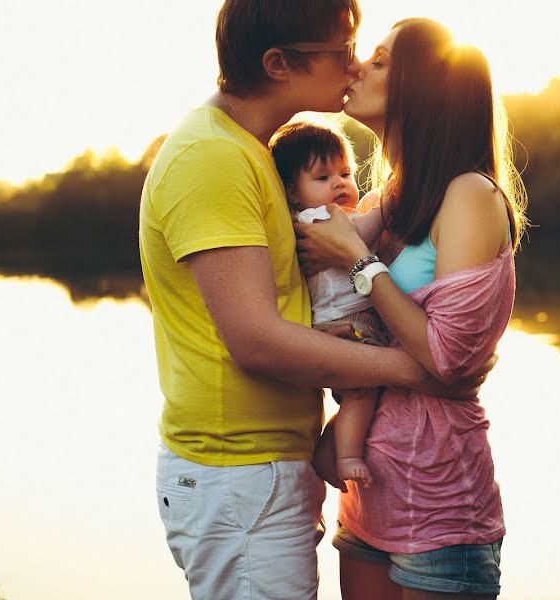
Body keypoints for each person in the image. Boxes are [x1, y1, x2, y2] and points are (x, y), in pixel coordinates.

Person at [138, 2, 493, 599]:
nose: (354, 66)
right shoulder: (214, 158)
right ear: (279, 63)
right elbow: (256, 339)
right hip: (239, 473)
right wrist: (423, 369)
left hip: (270, 471)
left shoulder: (257, 153)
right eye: (344, 49)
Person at [295, 17, 528, 600]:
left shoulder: (469, 195)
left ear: (422, 88)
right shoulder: (382, 202)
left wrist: (358, 260)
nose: (356, 68)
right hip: (369, 500)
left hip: (441, 504)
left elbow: (448, 358)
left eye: (377, 61)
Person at [270, 120, 387, 486]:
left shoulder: (328, 217)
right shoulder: (316, 220)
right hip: (345, 324)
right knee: (362, 390)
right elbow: (360, 234)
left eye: (345, 172)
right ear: (293, 192)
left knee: (364, 393)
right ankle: (346, 455)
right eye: (322, 178)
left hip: (350, 318)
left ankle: (327, 450)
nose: (339, 183)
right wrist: (387, 208)